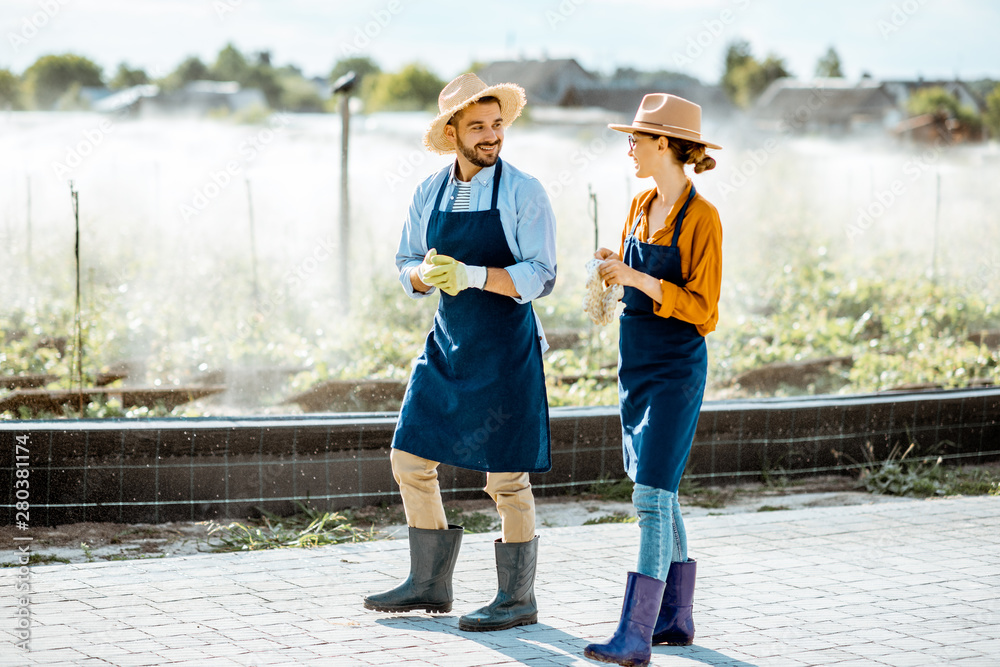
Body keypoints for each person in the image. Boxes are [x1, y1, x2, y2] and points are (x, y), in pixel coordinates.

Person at [363, 73, 557, 633]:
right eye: (478, 126)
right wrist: (421, 274)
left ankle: (517, 599)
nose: (492, 135)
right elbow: (404, 260)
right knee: (410, 458)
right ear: (452, 132)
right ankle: (429, 584)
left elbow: (541, 276)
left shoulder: (525, 190)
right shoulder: (431, 191)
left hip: (506, 350)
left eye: (497, 124)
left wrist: (472, 273)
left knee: (506, 480)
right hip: (448, 345)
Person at [583, 94, 723, 667]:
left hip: (675, 368)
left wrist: (636, 276)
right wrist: (610, 268)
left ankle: (634, 635)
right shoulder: (641, 204)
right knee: (660, 489)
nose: (631, 147)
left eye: (638, 139)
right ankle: (676, 617)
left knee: (650, 497)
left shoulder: (703, 217)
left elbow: (704, 309)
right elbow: (634, 280)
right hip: (636, 364)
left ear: (665, 143)